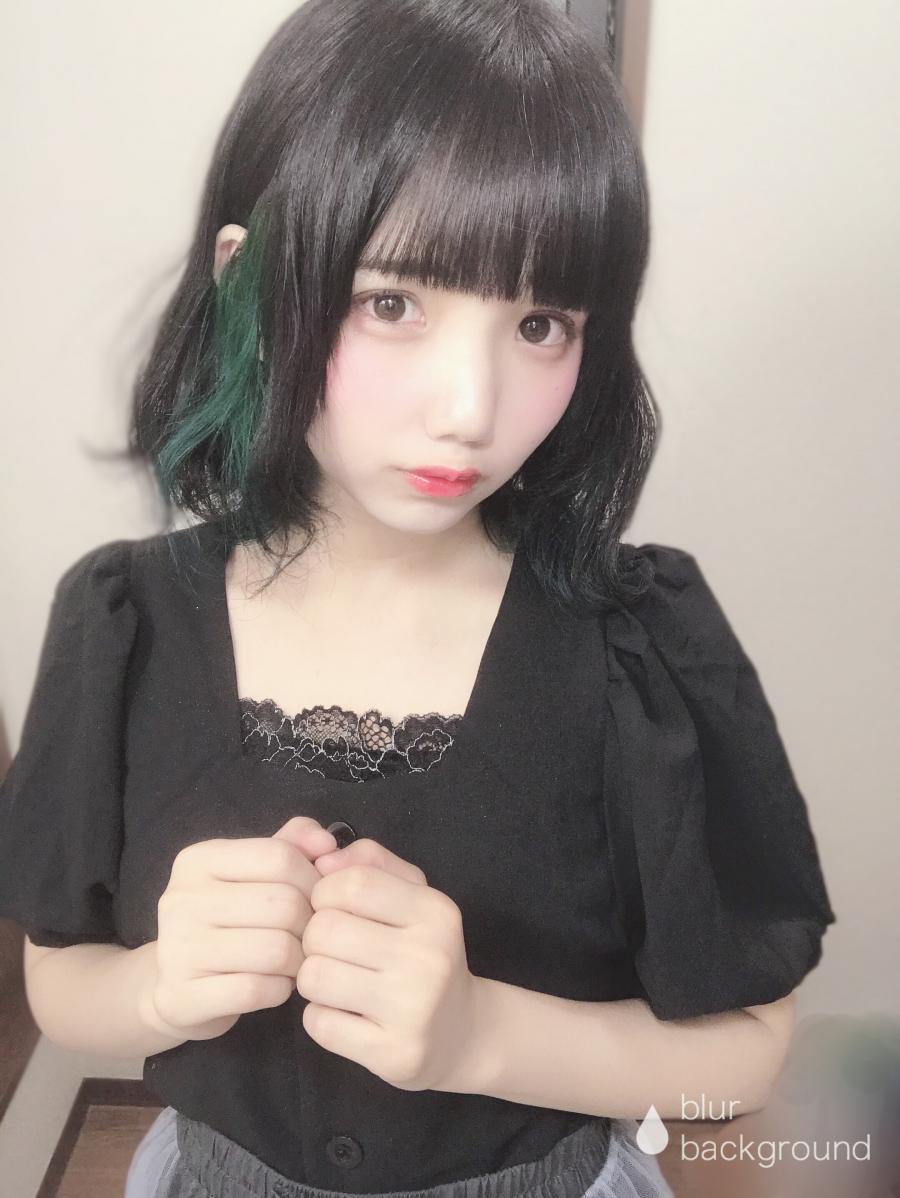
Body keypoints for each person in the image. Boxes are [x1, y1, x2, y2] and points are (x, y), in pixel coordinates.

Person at [0, 1, 836, 1196]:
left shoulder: (641, 650)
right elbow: (58, 979)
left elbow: (743, 1059)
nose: (471, 407)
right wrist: (159, 985)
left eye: (540, 324)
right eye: (392, 302)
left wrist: (479, 1035)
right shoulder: (122, 626)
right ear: (247, 285)